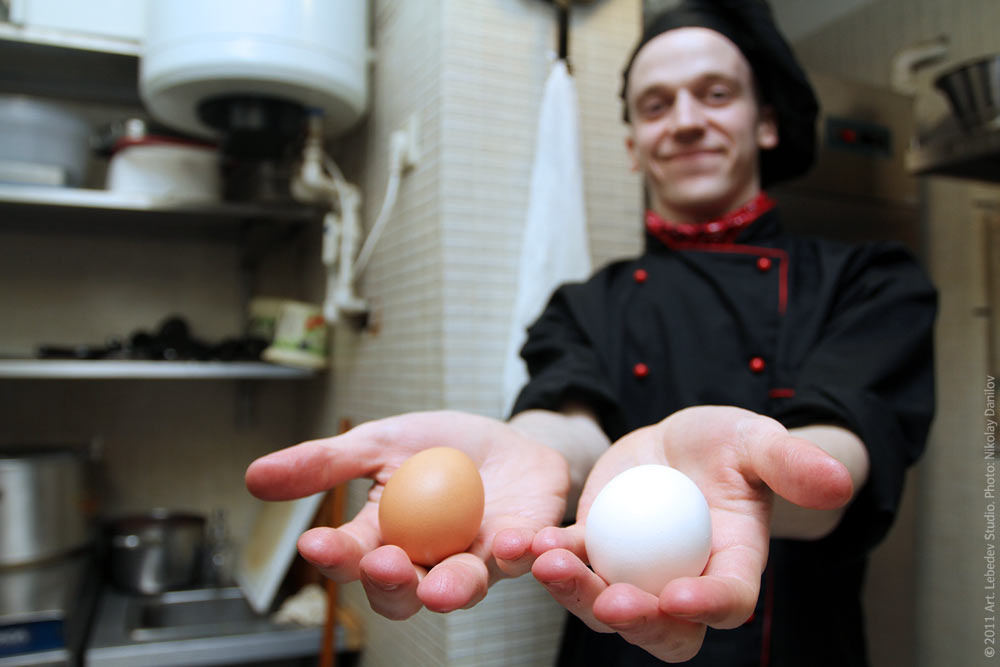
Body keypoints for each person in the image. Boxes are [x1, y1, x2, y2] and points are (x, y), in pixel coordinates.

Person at [245, 1, 936, 664]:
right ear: (633, 146)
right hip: (609, 642)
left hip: (798, 645)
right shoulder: (585, 304)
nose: (686, 121)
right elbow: (566, 421)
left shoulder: (870, 281)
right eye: (656, 105)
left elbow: (842, 454)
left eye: (716, 94)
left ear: (766, 123)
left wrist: (745, 478)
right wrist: (528, 451)